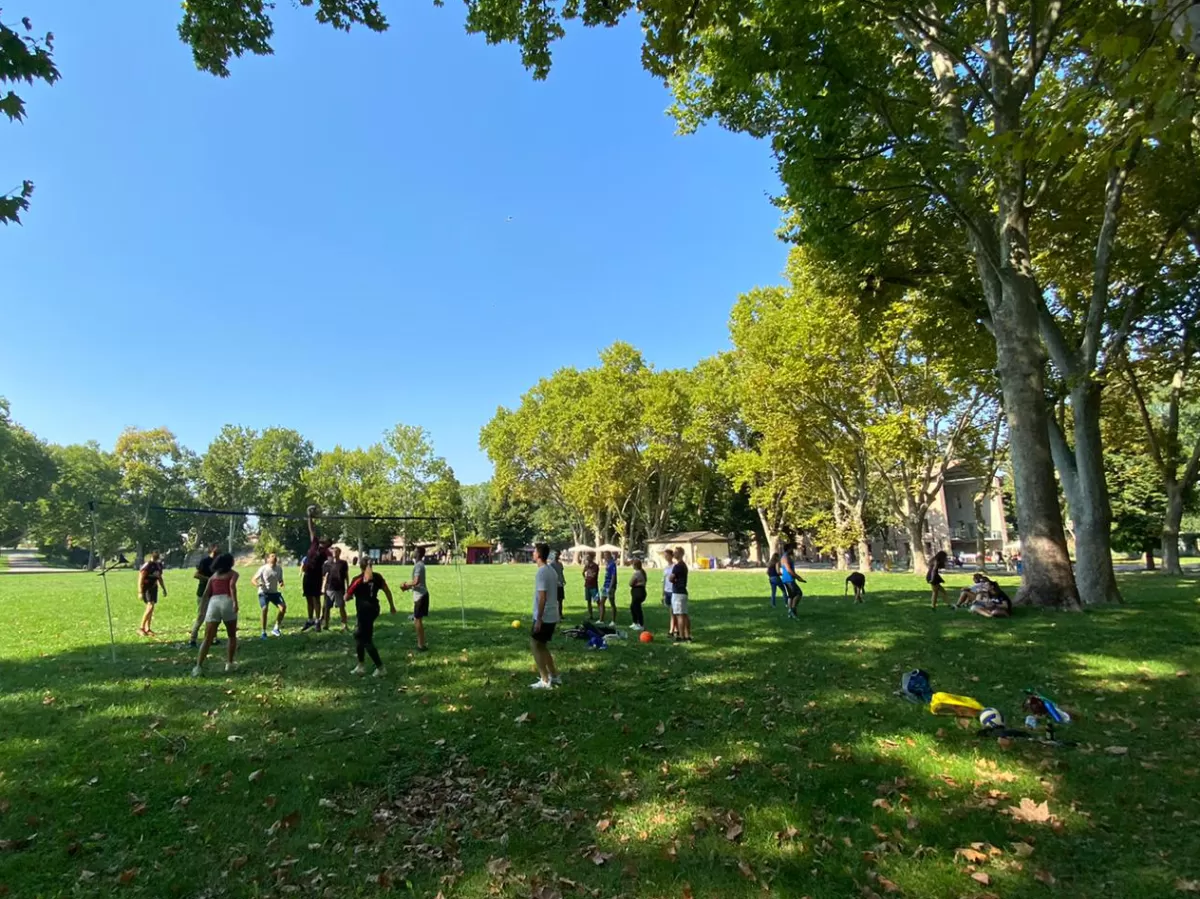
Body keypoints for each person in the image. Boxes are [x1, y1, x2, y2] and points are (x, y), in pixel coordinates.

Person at [346, 558, 397, 677]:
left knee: (365, 639)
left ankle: (380, 668)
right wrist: (392, 606)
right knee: (358, 635)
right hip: (374, 609)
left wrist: (349, 597)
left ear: (361, 567)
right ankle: (360, 665)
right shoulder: (378, 577)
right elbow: (387, 591)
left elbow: (346, 596)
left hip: (364, 611)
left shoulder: (357, 579)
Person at [192, 553, 239, 676]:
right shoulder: (233, 574)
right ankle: (229, 663)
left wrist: (202, 609)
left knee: (207, 638)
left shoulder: (213, 576)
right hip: (227, 602)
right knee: (231, 635)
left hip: (214, 603)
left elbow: (206, 593)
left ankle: (198, 666)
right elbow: (232, 587)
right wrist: (235, 602)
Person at [530, 542, 561, 689]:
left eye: (534, 551)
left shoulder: (542, 572)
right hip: (552, 614)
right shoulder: (551, 570)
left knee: (535, 644)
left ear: (539, 555)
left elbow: (542, 597)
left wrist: (539, 619)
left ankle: (544, 679)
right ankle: (554, 675)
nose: (533, 553)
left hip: (545, 615)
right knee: (542, 645)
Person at [300, 508, 332, 632]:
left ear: (329, 543)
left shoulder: (326, 551)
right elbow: (311, 529)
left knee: (316, 599)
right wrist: (309, 516)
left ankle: (318, 621)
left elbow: (331, 561)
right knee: (308, 598)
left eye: (327, 540)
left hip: (316, 576)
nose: (324, 539)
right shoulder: (315, 543)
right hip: (307, 575)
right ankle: (310, 620)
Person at [188, 544, 219, 648]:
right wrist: (209, 580)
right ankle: (193, 639)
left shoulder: (219, 562)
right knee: (202, 616)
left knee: (214, 616)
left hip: (214, 593)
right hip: (203, 593)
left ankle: (212, 638)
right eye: (216, 549)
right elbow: (196, 575)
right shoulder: (205, 561)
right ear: (211, 550)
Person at [400, 546, 430, 652]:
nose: (413, 552)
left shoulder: (418, 566)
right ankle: (421, 644)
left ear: (418, 553)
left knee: (417, 620)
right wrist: (407, 587)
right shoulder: (419, 565)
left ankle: (421, 645)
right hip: (420, 595)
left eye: (415, 551)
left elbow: (416, 581)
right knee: (418, 620)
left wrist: (405, 585)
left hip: (421, 596)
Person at [252, 552, 287, 638]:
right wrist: (257, 584)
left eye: (275, 556)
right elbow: (253, 579)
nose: (274, 557)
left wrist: (281, 583)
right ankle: (263, 632)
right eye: (272, 556)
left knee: (283, 608)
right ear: (268, 559)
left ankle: (276, 628)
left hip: (274, 593)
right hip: (264, 593)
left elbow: (280, 579)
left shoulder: (279, 569)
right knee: (264, 609)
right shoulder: (263, 568)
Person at [321, 546, 350, 632]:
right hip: (330, 588)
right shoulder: (327, 563)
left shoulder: (343, 563)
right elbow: (325, 576)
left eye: (336, 551)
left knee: (341, 607)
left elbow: (346, 575)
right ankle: (326, 624)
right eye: (333, 551)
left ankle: (344, 624)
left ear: (339, 553)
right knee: (327, 607)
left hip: (340, 588)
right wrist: (323, 587)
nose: (334, 553)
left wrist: (348, 586)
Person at [138, 551, 167, 636]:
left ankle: (148, 628)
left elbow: (159, 578)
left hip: (154, 588)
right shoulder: (147, 565)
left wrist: (164, 588)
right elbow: (140, 577)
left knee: (151, 608)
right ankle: (141, 627)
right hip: (147, 588)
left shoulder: (158, 566)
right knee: (150, 607)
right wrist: (140, 591)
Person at [669, 546, 692, 642]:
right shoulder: (684, 565)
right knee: (685, 614)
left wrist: (672, 579)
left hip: (678, 592)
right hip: (683, 592)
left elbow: (671, 578)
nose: (674, 554)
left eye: (676, 552)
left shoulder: (677, 566)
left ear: (681, 554)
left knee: (679, 615)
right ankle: (687, 635)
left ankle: (681, 636)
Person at [780, 543, 807, 619]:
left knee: (791, 596)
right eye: (791, 548)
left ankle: (790, 613)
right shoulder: (785, 558)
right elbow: (789, 570)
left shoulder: (786, 557)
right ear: (788, 549)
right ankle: (792, 609)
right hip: (789, 579)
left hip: (788, 579)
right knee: (798, 593)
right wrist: (798, 577)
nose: (793, 550)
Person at [599, 551, 618, 624]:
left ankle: (613, 621)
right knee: (601, 602)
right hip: (605, 585)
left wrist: (610, 587)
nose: (605, 557)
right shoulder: (608, 563)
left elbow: (614, 576)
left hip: (610, 586)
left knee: (612, 603)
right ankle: (601, 620)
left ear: (609, 556)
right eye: (604, 555)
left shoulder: (612, 564)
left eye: (606, 555)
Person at [628, 558, 647, 630]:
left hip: (638, 592)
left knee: (636, 608)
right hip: (639, 591)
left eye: (633, 564)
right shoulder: (642, 572)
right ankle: (635, 622)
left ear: (635, 565)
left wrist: (634, 584)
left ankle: (640, 624)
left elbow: (630, 583)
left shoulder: (637, 573)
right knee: (633, 607)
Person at [661, 549, 676, 637]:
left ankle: (672, 630)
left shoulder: (674, 566)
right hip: (667, 591)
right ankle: (674, 629)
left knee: (673, 611)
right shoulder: (666, 568)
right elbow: (664, 581)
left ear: (671, 556)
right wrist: (662, 593)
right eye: (665, 555)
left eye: (667, 555)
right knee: (671, 612)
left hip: (673, 591)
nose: (665, 557)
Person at [583, 552, 600, 619]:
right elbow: (583, 572)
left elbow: (593, 575)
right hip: (587, 586)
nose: (587, 557)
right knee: (588, 601)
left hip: (593, 586)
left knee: (597, 601)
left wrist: (589, 575)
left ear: (592, 557)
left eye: (588, 556)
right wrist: (585, 578)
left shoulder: (595, 566)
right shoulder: (587, 565)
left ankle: (600, 615)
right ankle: (590, 615)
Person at [551, 550, 566, 619]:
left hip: (560, 584)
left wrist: (563, 580)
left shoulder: (560, 564)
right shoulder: (552, 564)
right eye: (555, 554)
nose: (556, 556)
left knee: (560, 600)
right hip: (554, 584)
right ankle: (554, 614)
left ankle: (560, 614)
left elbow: (561, 573)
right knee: (554, 600)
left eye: (558, 554)